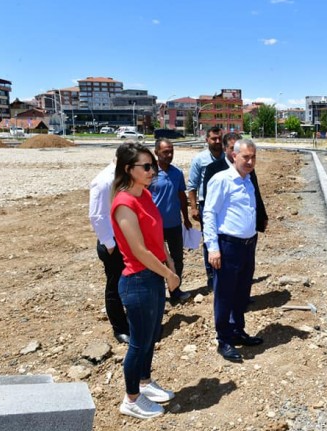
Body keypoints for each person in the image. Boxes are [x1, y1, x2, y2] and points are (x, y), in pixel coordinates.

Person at [111, 143, 180, 419]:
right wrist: (169, 274)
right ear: (129, 170)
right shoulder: (124, 203)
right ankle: (131, 399)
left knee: (151, 336)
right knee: (138, 342)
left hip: (153, 276)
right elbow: (139, 250)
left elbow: (157, 234)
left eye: (152, 166)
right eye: (147, 166)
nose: (153, 171)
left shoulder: (145, 196)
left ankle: (144, 382)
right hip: (138, 280)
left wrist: (169, 260)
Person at [203, 138, 263, 362]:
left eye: (253, 157)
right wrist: (213, 247)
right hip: (228, 246)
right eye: (246, 157)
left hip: (248, 246)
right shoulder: (222, 180)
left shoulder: (248, 180)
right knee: (225, 295)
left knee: (242, 293)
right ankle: (224, 340)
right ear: (234, 156)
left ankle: (238, 330)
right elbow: (209, 213)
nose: (250, 161)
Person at [88, 145, 130, 344]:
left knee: (127, 284)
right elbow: (96, 215)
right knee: (114, 286)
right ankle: (119, 328)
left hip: (125, 240)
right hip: (113, 244)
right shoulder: (104, 181)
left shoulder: (122, 178)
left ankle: (129, 321)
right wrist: (110, 244)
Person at [149, 138, 192, 306]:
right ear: (156, 153)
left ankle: (175, 291)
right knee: (157, 261)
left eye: (171, 151)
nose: (169, 154)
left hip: (174, 224)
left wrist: (186, 218)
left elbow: (182, 197)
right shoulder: (150, 174)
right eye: (165, 151)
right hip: (155, 227)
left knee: (177, 259)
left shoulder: (177, 173)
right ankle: (158, 295)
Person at [203, 132, 268, 233]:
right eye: (232, 148)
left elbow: (255, 192)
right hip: (225, 229)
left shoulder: (248, 168)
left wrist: (262, 215)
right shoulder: (214, 169)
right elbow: (209, 202)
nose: (236, 151)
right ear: (225, 148)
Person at [187, 126, 224, 288]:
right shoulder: (200, 159)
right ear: (207, 140)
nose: (217, 141)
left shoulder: (228, 158)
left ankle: (223, 272)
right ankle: (211, 274)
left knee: (224, 238)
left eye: (219, 138)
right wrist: (194, 208)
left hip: (224, 206)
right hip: (206, 205)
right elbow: (192, 186)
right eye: (213, 138)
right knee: (209, 238)